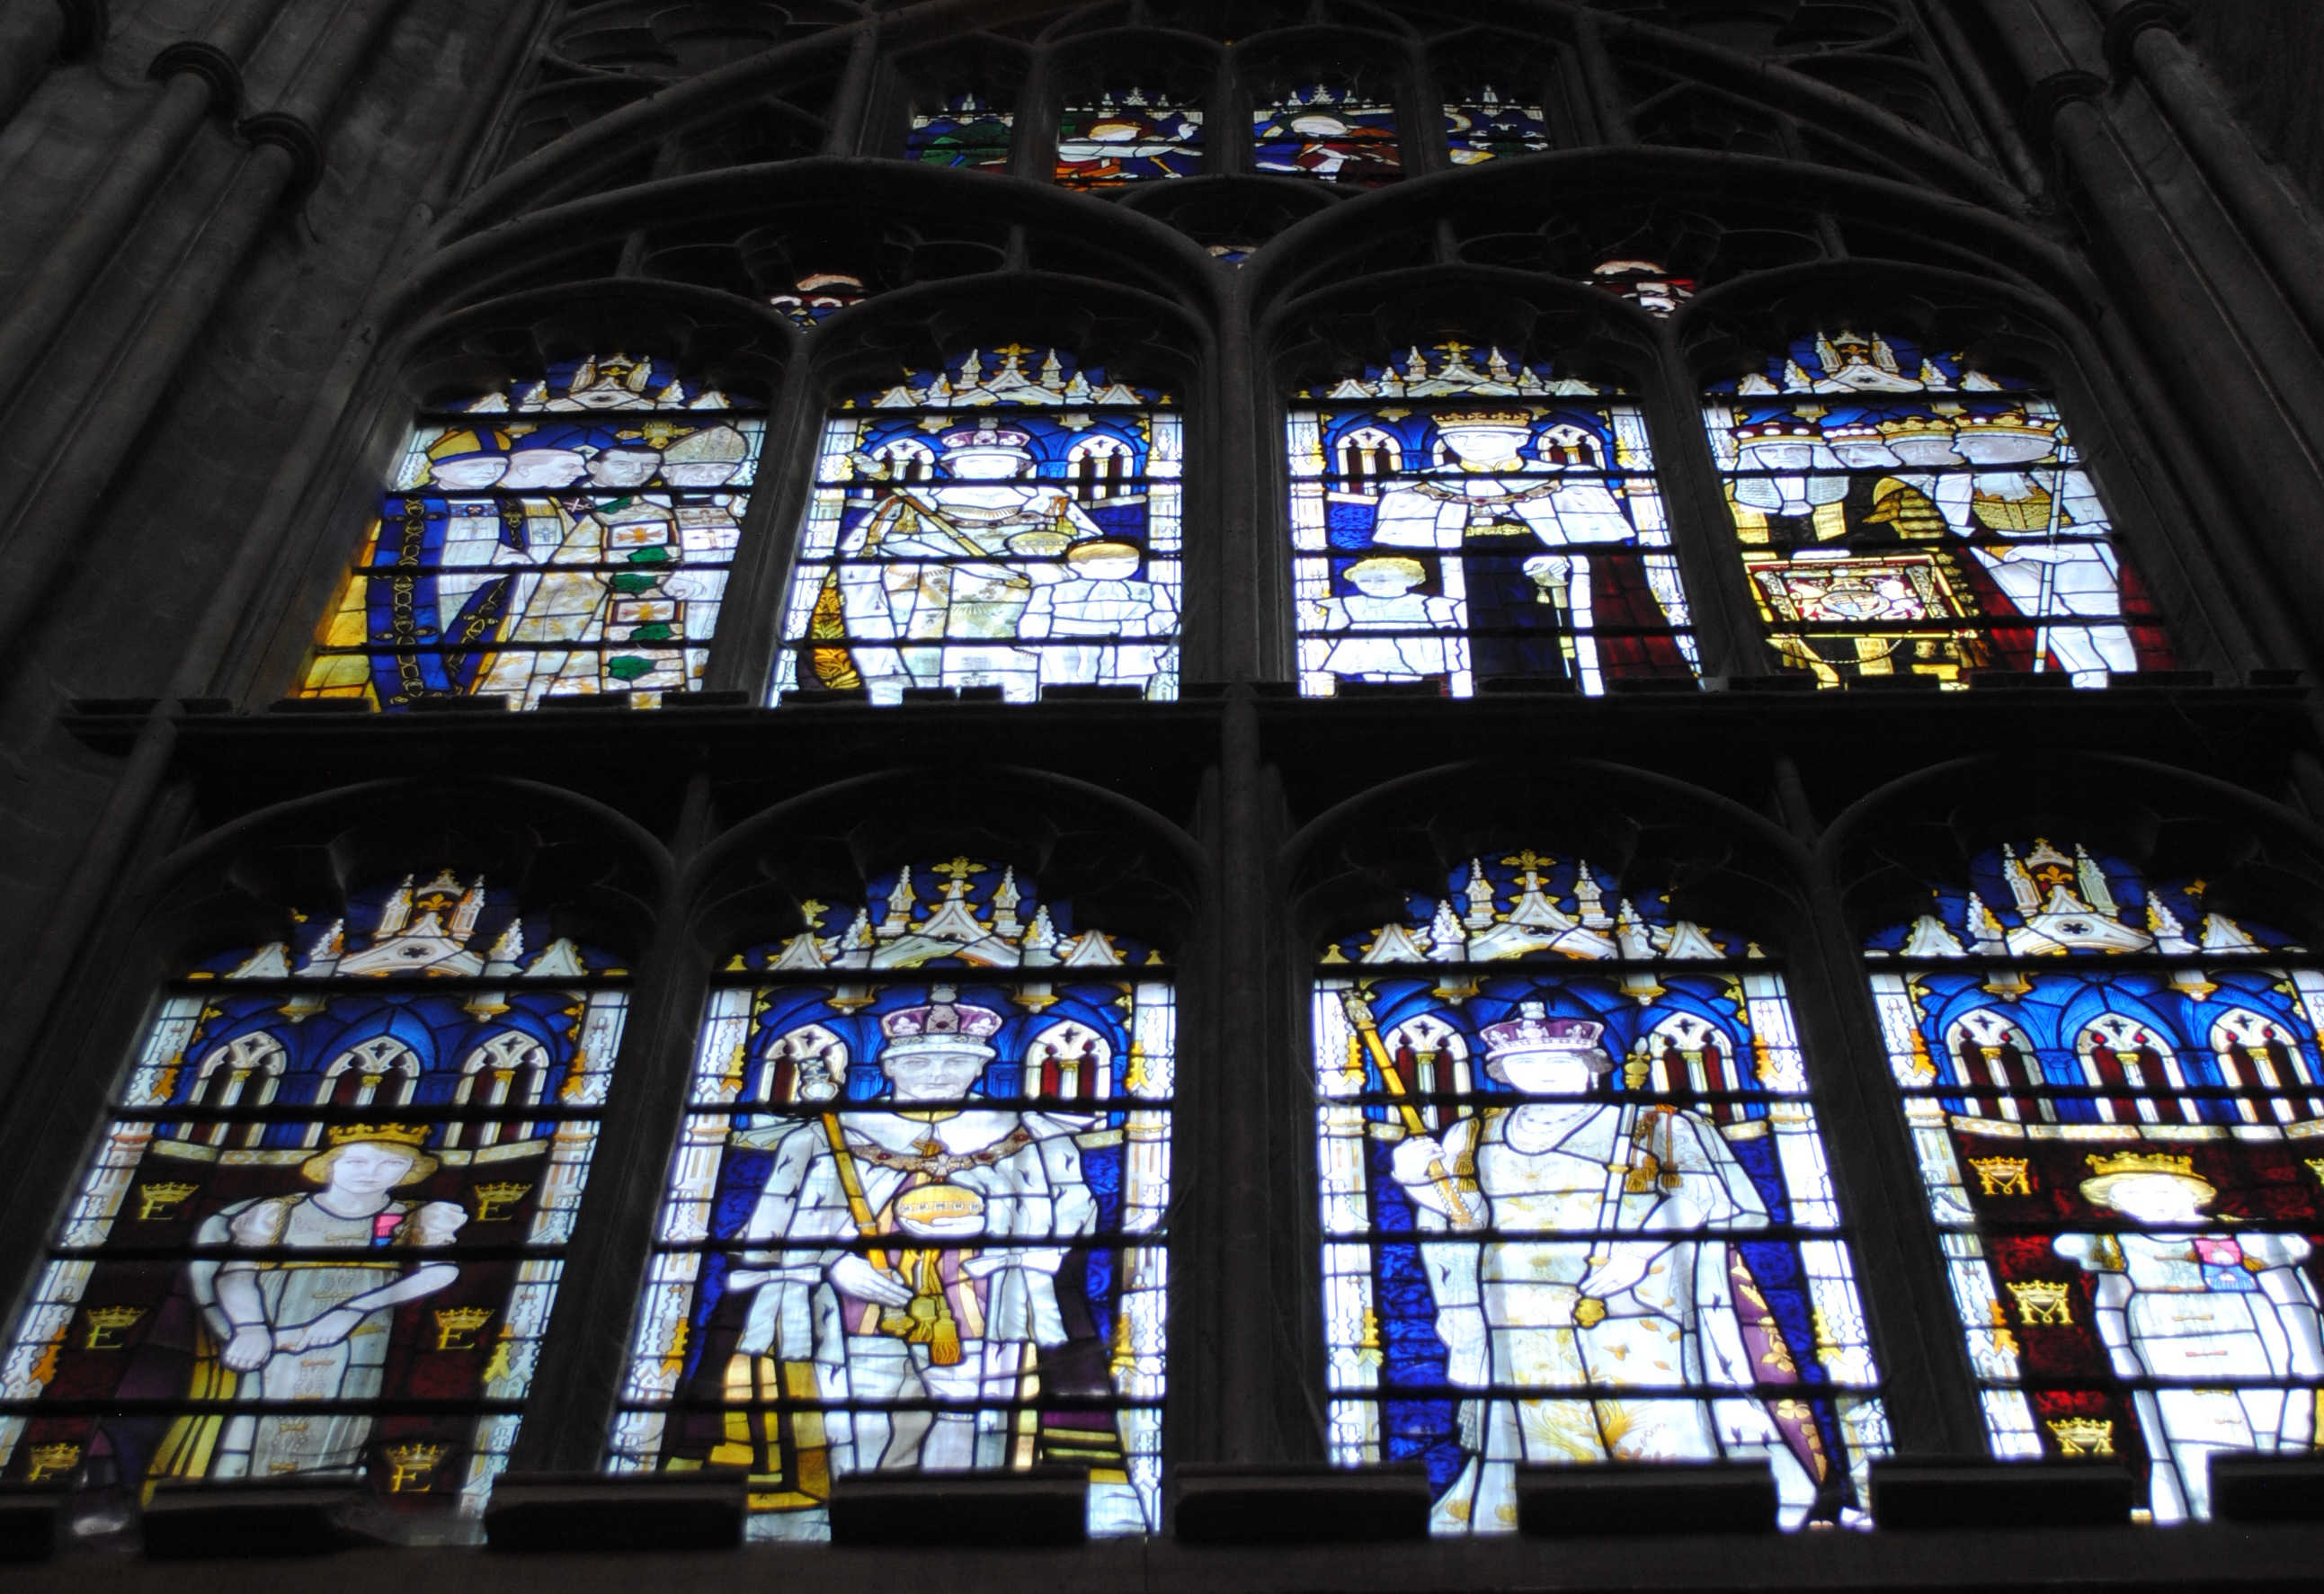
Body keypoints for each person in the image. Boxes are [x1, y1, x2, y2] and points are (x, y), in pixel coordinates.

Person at [1385, 1003, 1817, 1532]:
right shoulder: (1472, 1135)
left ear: (1591, 1065)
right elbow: (1466, 1220)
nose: (1542, 1072)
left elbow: (1709, 1195)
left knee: (1658, 1425)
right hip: (1520, 1314)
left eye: (1558, 1060)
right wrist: (1422, 1181)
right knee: (1544, 1439)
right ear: (1501, 1070)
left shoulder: (1654, 1123)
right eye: (1526, 1063)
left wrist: (1640, 1251)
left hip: (1639, 1305)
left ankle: (1689, 1538)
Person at [725, 989, 1097, 1474]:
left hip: (979, 1309)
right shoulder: (824, 1136)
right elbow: (765, 1234)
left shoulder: (1031, 1135)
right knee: (864, 1427)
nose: (937, 1075)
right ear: (890, 1067)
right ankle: (857, 1513)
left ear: (980, 1068)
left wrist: (1001, 1239)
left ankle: (953, 1509)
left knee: (967, 1424)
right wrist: (831, 1264)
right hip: (863, 1311)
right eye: (919, 1062)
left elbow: (1075, 1215)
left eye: (955, 1062)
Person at [166, 1126, 466, 1480]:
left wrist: (353, 1309)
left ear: (410, 1170)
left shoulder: (417, 1216)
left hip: (362, 1340)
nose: (372, 1173)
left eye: (392, 1163)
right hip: (278, 1331)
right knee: (253, 1426)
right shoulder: (278, 1212)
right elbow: (236, 1274)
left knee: (339, 1432)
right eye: (356, 1161)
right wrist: (250, 1328)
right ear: (331, 1164)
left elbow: (440, 1271)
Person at [2055, 1152, 2324, 1520]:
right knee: (2188, 1450)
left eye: (2162, 1191)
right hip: (2166, 1353)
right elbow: (2111, 1302)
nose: (2149, 1203)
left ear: (2192, 1193)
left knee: (2276, 1439)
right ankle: (2200, 1526)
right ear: (2116, 1204)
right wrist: (2122, 1357)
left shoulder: (2245, 1236)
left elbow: (2291, 1299)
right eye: (2132, 1195)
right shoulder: (2115, 1242)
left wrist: (2310, 1361)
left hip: (2257, 1351)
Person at [836, 424, 1110, 702]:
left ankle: (1029, 693)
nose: (985, 467)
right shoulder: (918, 498)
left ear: (1018, 465)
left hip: (1026, 581)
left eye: (998, 461)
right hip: (938, 581)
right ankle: (925, 694)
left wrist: (1038, 563)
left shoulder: (1049, 499)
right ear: (954, 466)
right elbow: (883, 542)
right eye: (974, 461)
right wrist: (961, 563)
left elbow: (1091, 548)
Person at [1017, 540, 1179, 695]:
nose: (1121, 568)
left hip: (1129, 654)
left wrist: (1147, 640)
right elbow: (1033, 625)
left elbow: (1167, 622)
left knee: (1126, 701)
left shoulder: (1153, 591)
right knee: (1065, 699)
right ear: (1078, 565)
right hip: (1066, 653)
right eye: (1110, 563)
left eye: (1130, 563)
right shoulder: (1050, 591)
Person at [1306, 556, 1465, 686]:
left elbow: (1447, 629)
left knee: (1408, 684)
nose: (1373, 585)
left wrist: (1442, 651)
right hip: (1367, 651)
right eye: (1364, 581)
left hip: (1414, 651)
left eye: (1382, 580)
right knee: (1373, 683)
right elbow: (1333, 630)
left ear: (1409, 580)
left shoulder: (1425, 602)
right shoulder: (1350, 603)